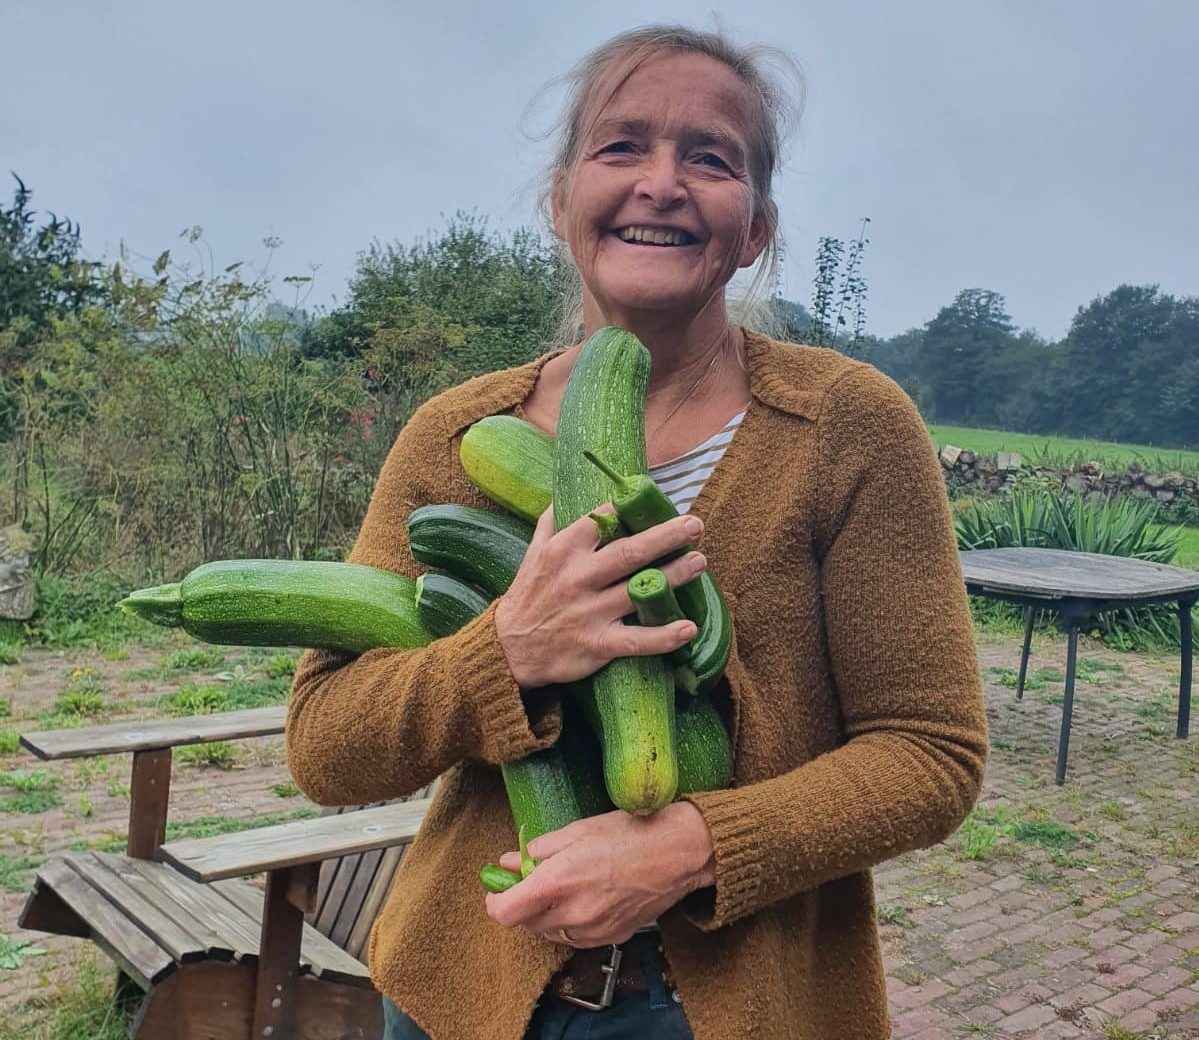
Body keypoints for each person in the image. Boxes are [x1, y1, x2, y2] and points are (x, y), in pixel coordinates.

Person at [286, 24, 988, 1040]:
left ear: (753, 228)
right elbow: (324, 744)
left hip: (737, 1009)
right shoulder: (455, 437)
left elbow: (930, 754)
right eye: (621, 146)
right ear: (559, 198)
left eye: (709, 157)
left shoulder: (847, 427)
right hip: (456, 989)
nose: (662, 182)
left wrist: (695, 841)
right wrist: (508, 652)